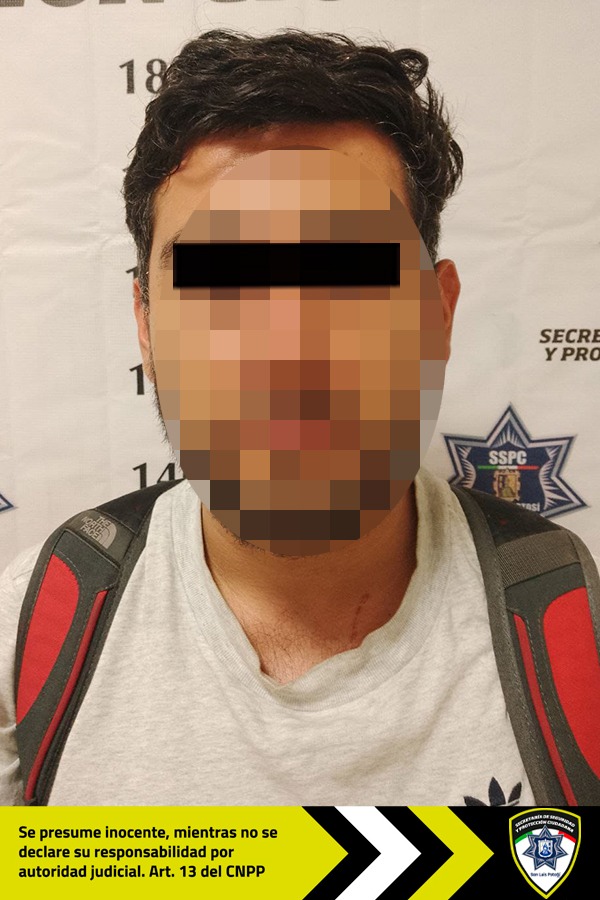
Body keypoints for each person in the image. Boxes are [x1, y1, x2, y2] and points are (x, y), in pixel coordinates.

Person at [0, 29, 596, 807]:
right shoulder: (31, 629)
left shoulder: (576, 632)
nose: (287, 347)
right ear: (146, 325)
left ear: (437, 314)